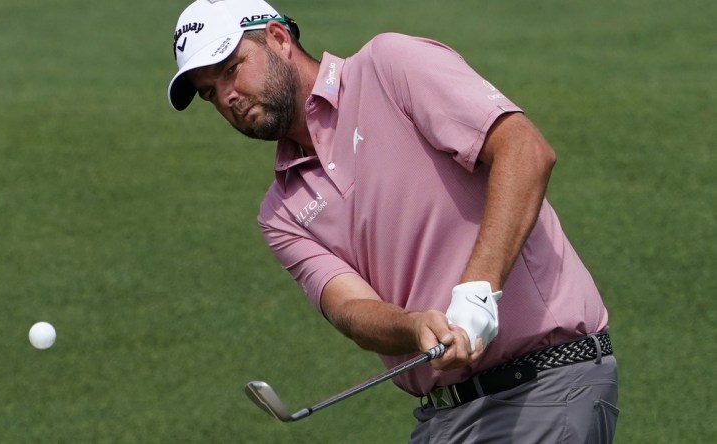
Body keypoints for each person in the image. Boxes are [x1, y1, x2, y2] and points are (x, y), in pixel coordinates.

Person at [167, 0, 619, 442]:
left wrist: (478, 289)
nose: (226, 96)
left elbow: (525, 150)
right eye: (209, 92)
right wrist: (413, 326)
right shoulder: (280, 212)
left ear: (279, 38)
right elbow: (349, 309)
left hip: (545, 384)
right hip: (445, 418)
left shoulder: (388, 66)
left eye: (231, 69)